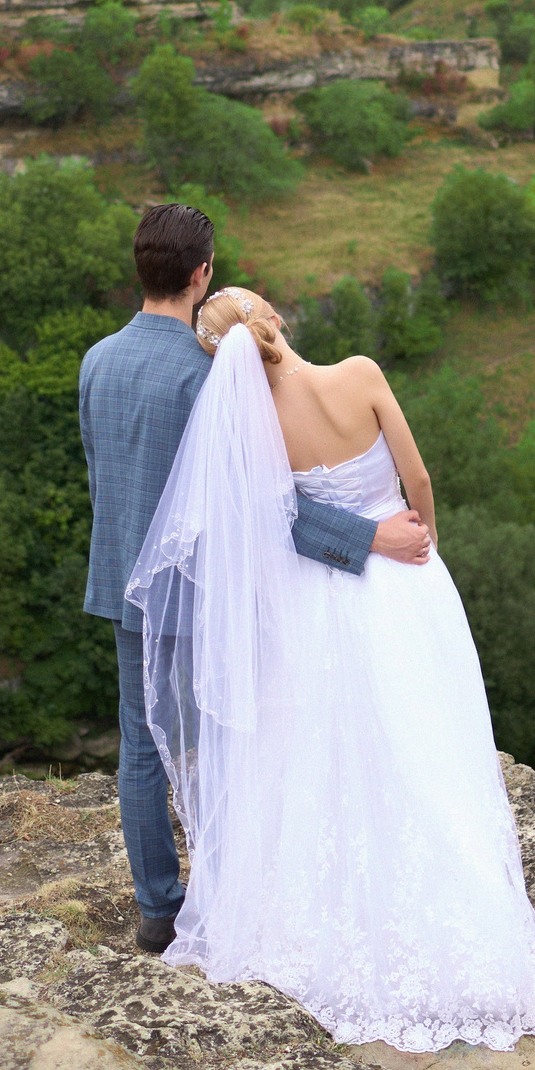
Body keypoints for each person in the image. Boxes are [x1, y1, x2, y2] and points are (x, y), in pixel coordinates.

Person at [126, 285, 535, 1053]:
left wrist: (361, 540)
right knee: (427, 743)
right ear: (276, 321)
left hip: (316, 602)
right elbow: (417, 478)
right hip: (406, 588)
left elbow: (279, 523)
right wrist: (420, 540)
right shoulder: (359, 373)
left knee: (321, 755)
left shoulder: (257, 431)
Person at [78, 204, 430, 958]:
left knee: (140, 744)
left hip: (126, 583)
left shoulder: (95, 361)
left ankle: (156, 908)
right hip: (212, 591)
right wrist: (371, 536)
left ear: (141, 269)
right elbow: (270, 506)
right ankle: (233, 890)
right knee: (241, 734)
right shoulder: (208, 377)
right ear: (201, 273)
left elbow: (100, 478)